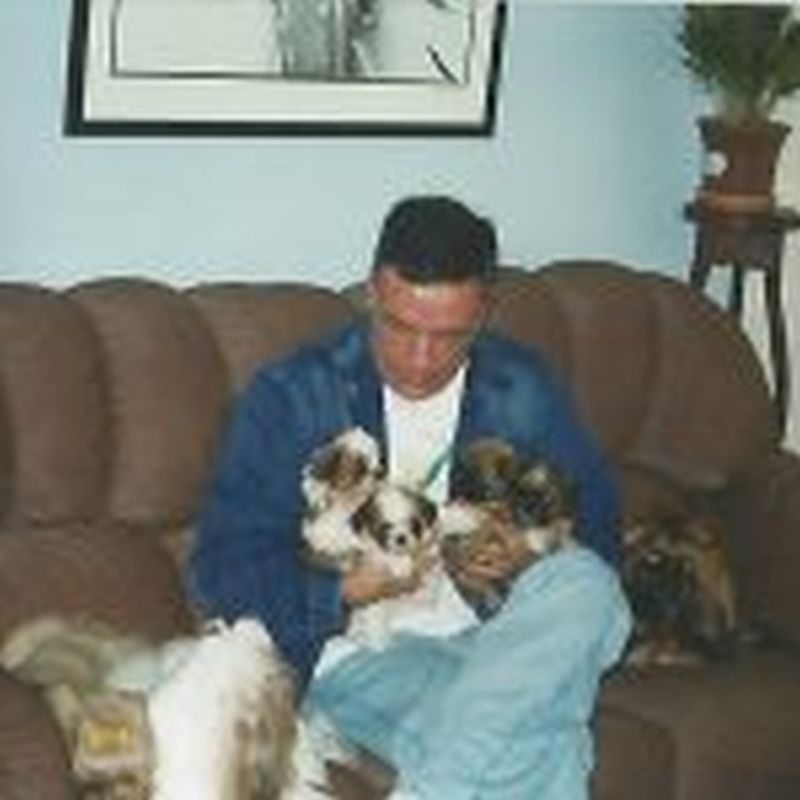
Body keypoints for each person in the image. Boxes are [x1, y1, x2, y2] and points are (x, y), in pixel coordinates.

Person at [188, 195, 631, 799]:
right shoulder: (292, 395)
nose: (421, 360)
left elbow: (599, 530)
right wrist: (346, 590)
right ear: (373, 293)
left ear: (484, 311)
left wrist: (527, 556)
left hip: (504, 634)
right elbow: (222, 570)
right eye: (401, 328)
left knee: (588, 584)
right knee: (540, 746)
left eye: (449, 337)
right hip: (365, 650)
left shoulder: (520, 385)